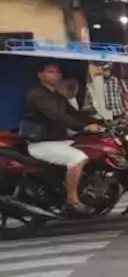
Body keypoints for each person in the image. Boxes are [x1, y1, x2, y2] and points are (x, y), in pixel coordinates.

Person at [21, 63, 102, 215]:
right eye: (50, 72)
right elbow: (57, 116)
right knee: (78, 158)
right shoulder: (37, 95)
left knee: (92, 150)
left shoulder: (57, 95)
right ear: (40, 75)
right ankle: (72, 199)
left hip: (60, 141)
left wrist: (100, 122)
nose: (55, 75)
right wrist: (83, 128)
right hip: (43, 143)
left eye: (57, 72)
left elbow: (74, 113)